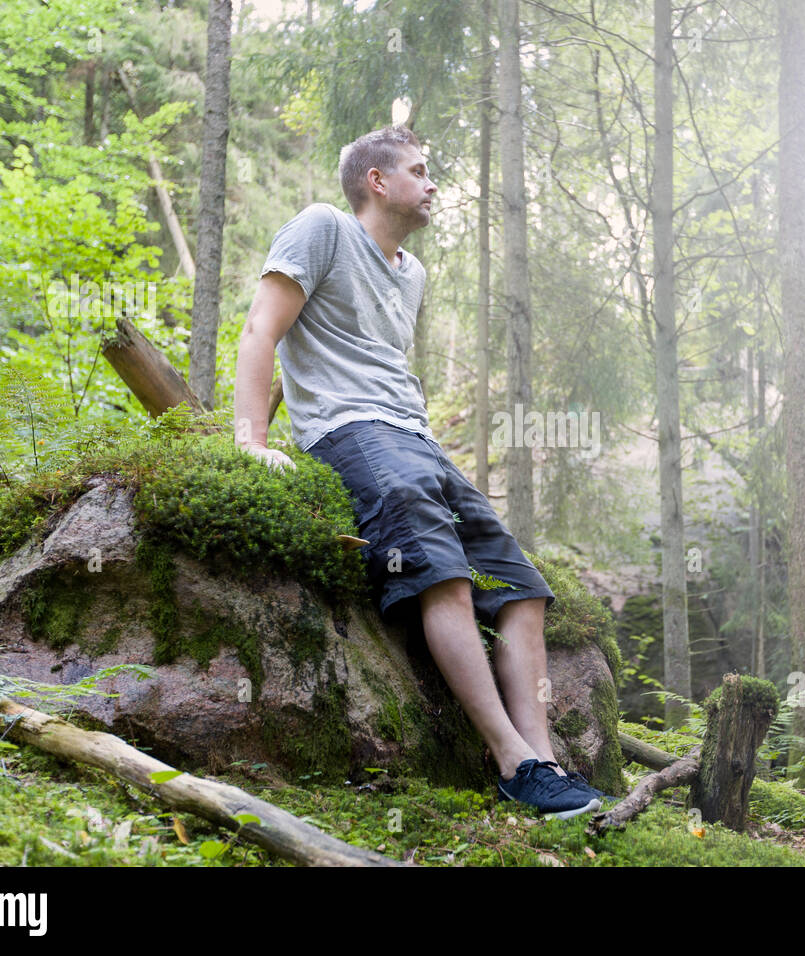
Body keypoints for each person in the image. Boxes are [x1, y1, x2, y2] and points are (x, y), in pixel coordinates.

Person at [232, 125, 603, 819]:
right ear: (377, 180)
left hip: (419, 440)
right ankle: (512, 761)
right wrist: (251, 439)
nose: (432, 184)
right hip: (352, 435)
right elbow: (263, 332)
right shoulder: (322, 229)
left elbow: (372, 356)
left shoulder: (414, 273)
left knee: (521, 588)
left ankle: (548, 761)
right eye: (419, 170)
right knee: (442, 570)